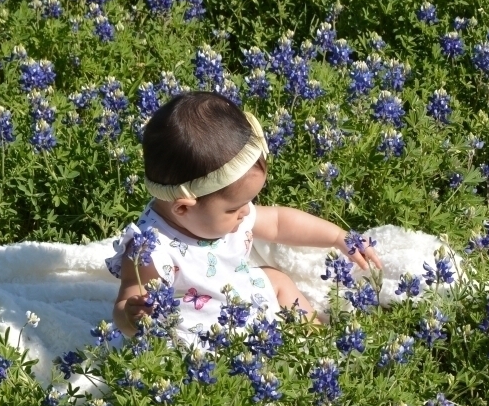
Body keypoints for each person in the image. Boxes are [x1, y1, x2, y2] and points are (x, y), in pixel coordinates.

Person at [108, 91, 383, 344]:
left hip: (242, 295)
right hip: (205, 333)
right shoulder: (149, 248)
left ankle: (316, 340)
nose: (246, 212)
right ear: (183, 208)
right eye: (234, 209)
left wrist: (338, 237)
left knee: (277, 279)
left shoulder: (221, 212)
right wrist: (132, 315)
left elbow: (279, 222)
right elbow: (127, 299)